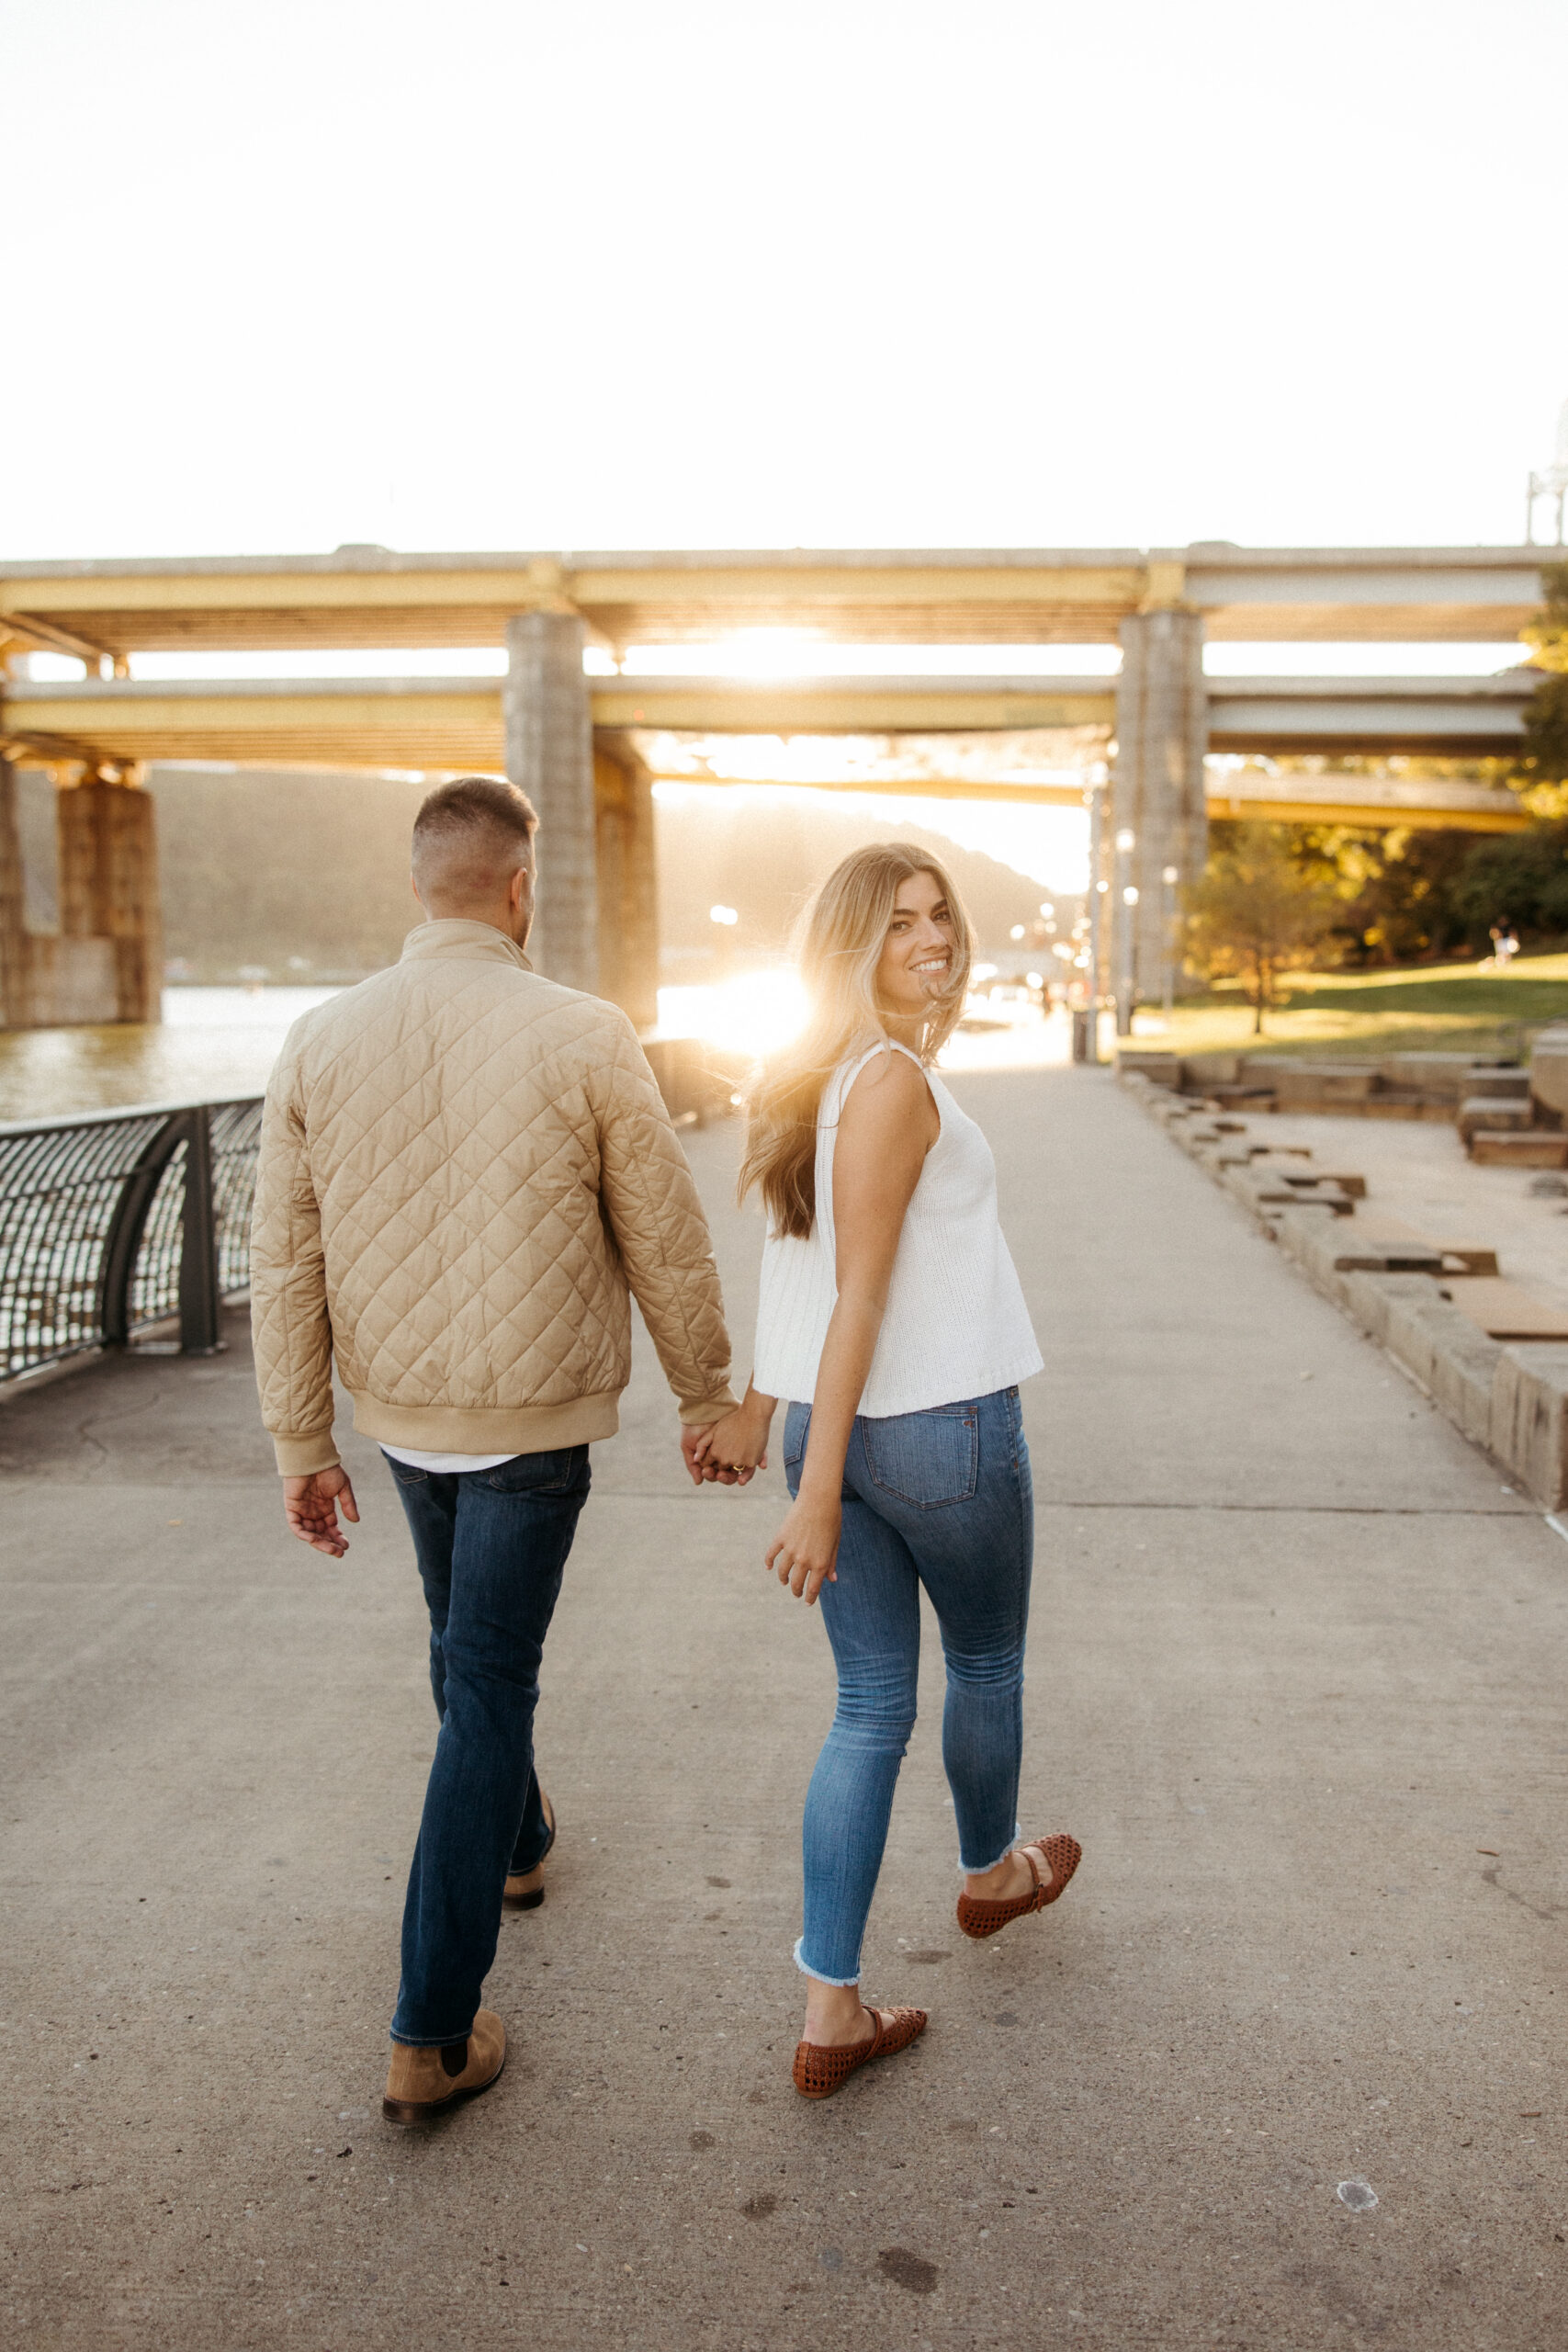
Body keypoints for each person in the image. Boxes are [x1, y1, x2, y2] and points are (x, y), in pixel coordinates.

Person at [250, 775, 740, 2126]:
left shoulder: (320, 1037)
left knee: (463, 1650)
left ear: (420, 885)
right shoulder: (585, 1032)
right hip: (533, 1427)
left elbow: (283, 1261)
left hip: (401, 1417)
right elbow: (666, 1228)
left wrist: (302, 1435)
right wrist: (707, 1396)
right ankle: (430, 2029)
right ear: (520, 888)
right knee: (489, 1686)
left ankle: (516, 1845)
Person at [694, 843, 1079, 2099]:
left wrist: (772, 1418)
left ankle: (832, 2012)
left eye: (940, 916)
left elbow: (792, 1256)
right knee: (985, 1662)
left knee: (867, 1713)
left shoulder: (810, 1077)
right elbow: (855, 1290)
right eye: (901, 922)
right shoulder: (892, 1084)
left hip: (837, 1432)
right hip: (937, 1432)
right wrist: (812, 1492)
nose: (934, 938)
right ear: (850, 944)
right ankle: (990, 1875)